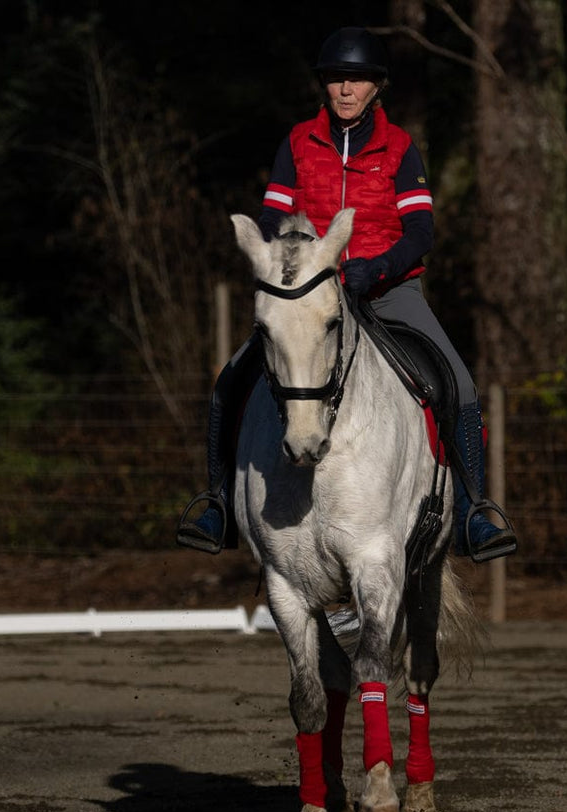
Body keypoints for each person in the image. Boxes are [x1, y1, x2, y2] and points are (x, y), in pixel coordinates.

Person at [177, 26, 516, 563]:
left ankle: (476, 511)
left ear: (377, 86)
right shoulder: (296, 143)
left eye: (356, 79)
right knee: (229, 384)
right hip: (311, 294)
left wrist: (376, 268)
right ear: (324, 85)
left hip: (387, 291)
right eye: (336, 79)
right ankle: (217, 505)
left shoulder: (401, 148)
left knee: (461, 385)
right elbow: (272, 215)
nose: (345, 89)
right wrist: (284, 259)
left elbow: (421, 233)